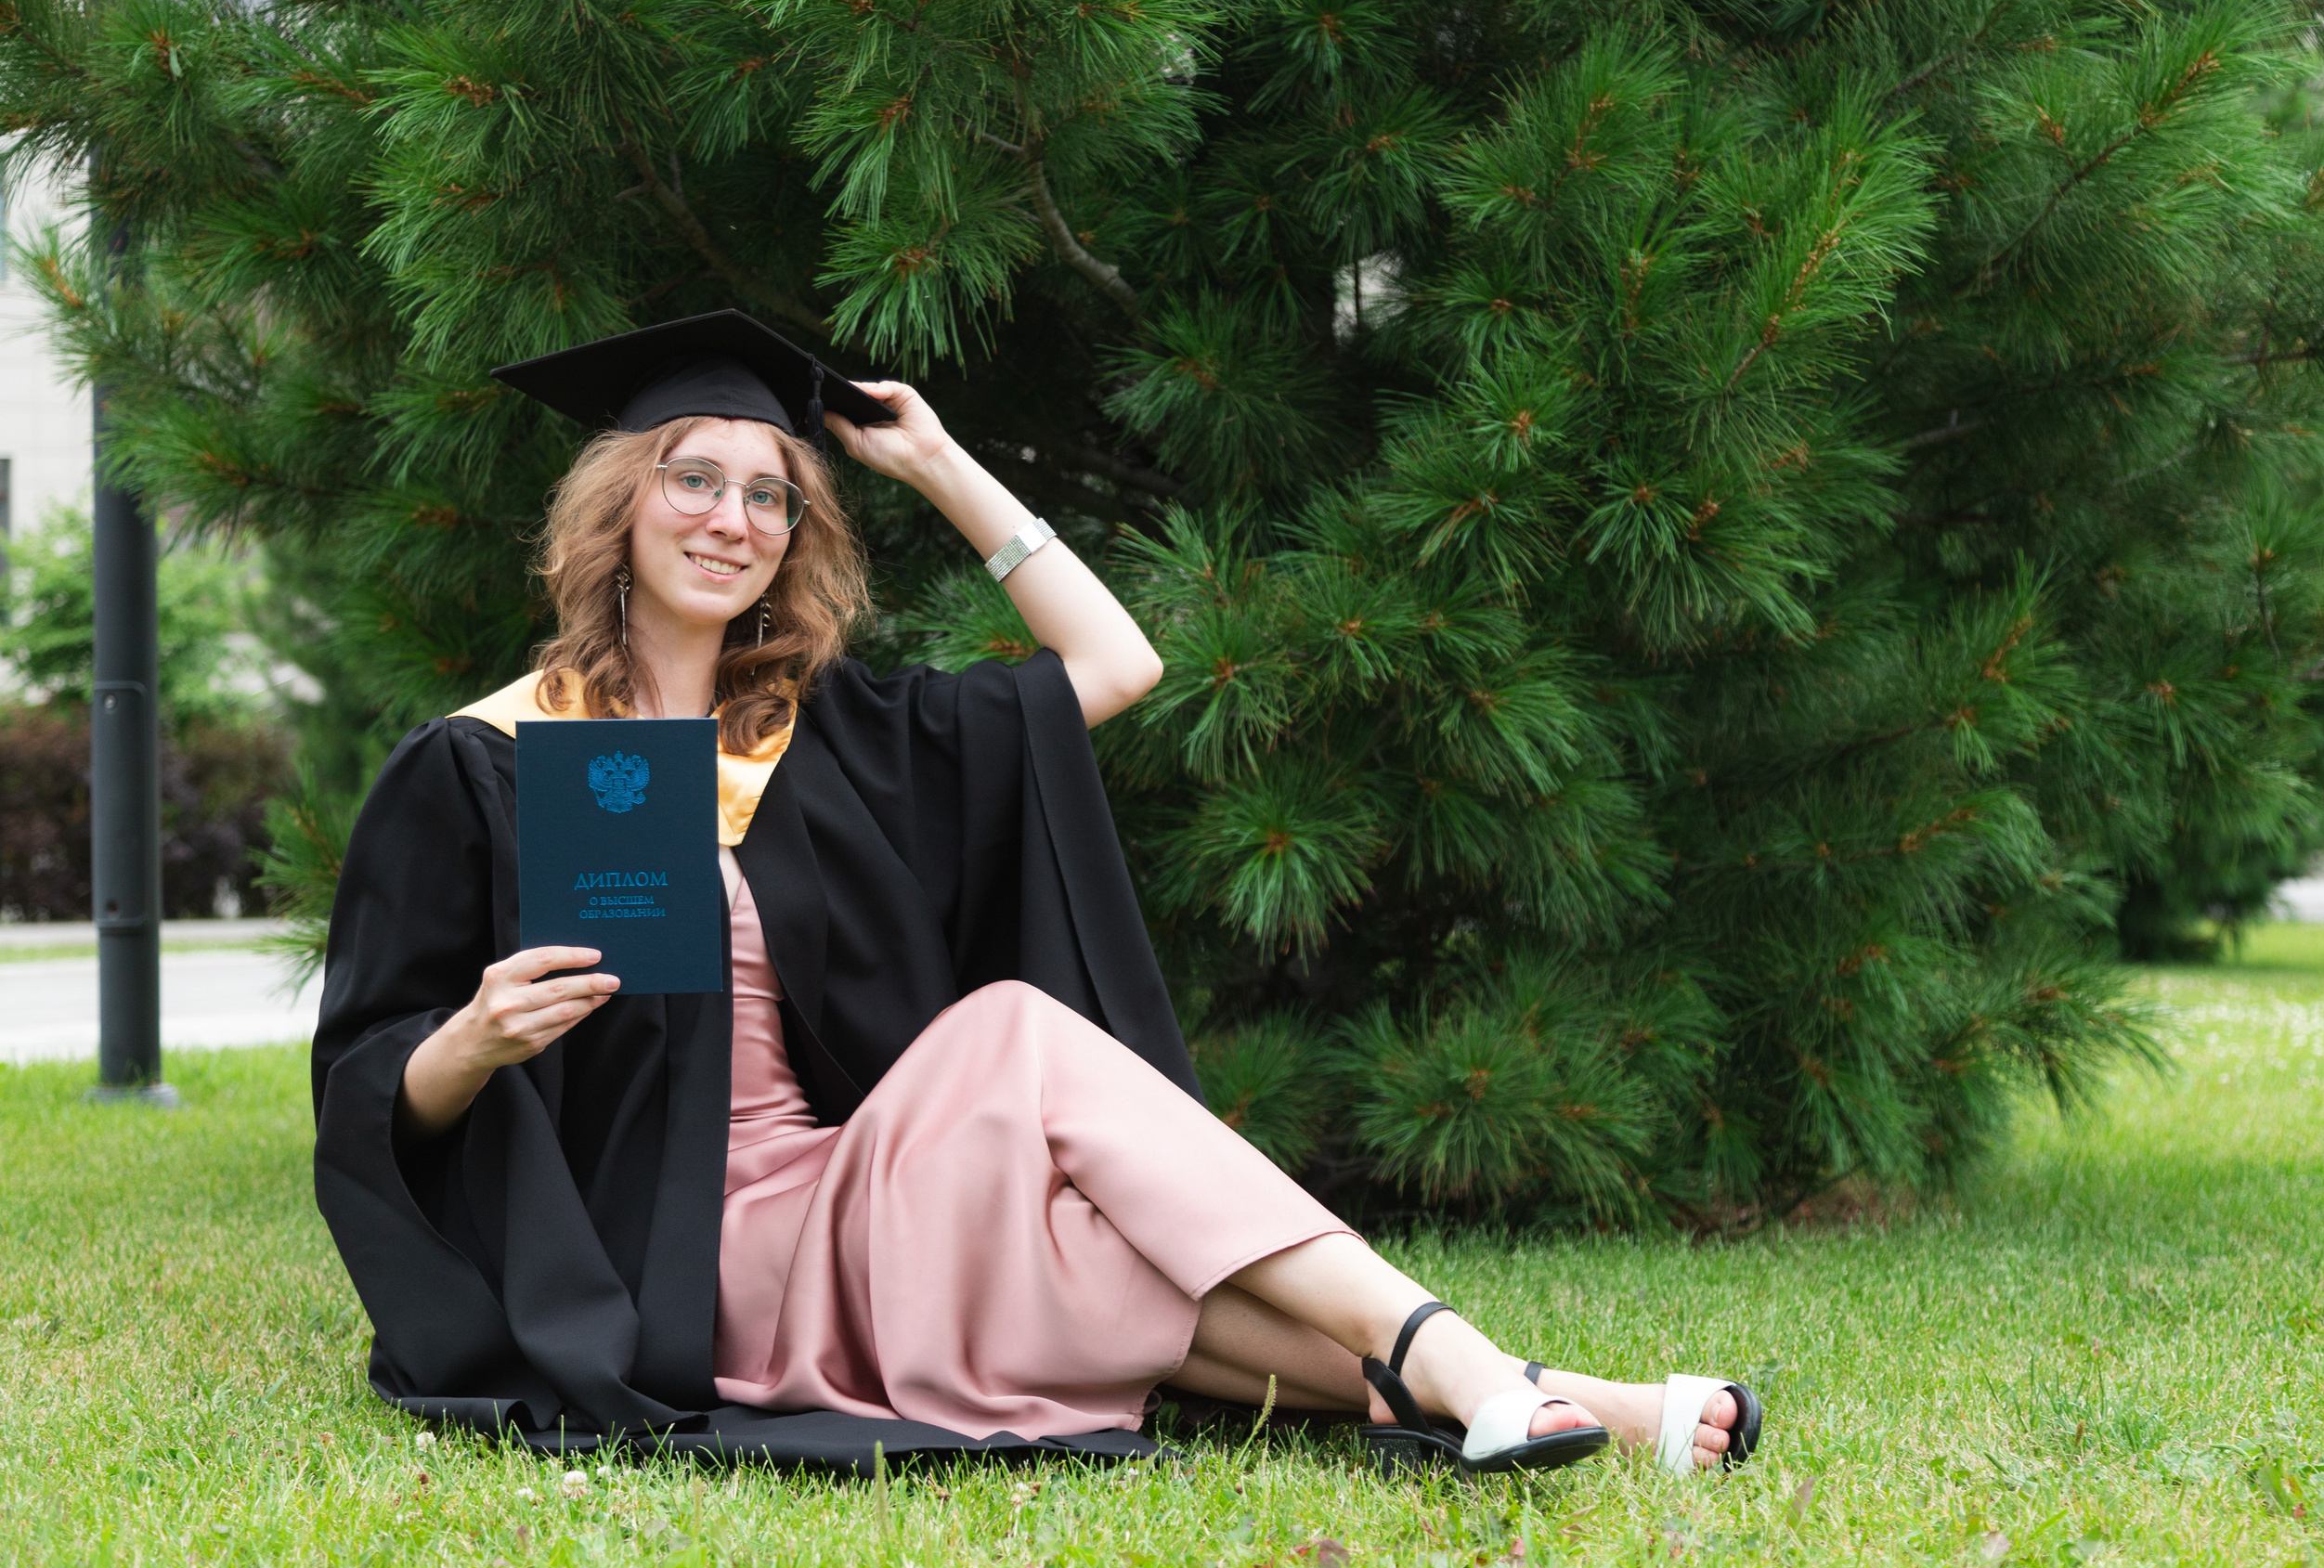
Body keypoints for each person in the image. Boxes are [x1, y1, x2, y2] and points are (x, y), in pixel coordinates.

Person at [310, 310, 1761, 1478]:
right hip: (687, 1265)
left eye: (769, 496)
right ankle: (1485, 1373)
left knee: (1088, 1231)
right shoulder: (484, 764)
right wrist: (478, 1039)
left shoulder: (827, 733)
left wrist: (938, 463)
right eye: (694, 479)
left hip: (860, 1187)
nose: (732, 520)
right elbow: (372, 1089)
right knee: (1018, 1039)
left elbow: (1117, 668)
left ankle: (1518, 1391)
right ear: (622, 504)